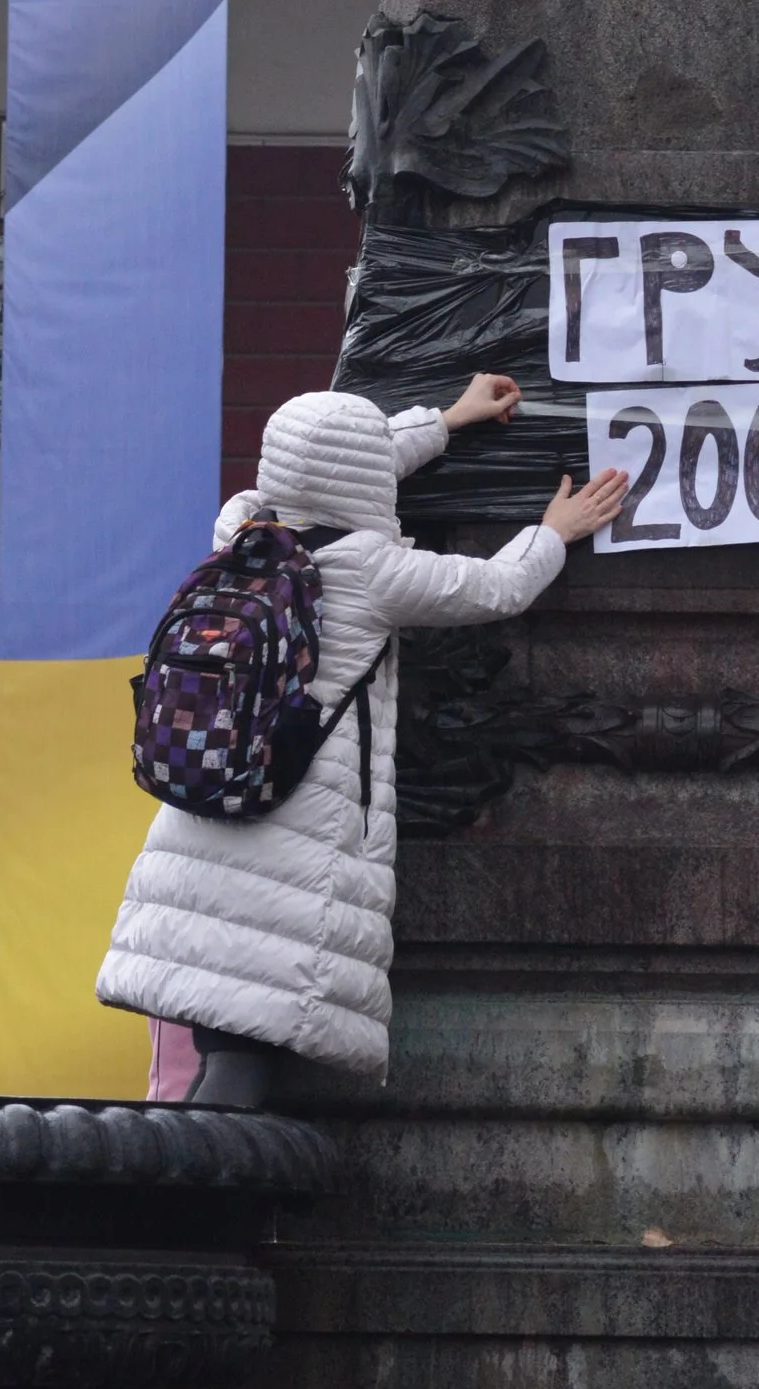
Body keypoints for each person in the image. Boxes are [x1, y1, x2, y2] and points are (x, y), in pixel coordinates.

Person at [98, 375, 625, 1105]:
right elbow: (496, 588)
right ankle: (217, 1205)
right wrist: (552, 533)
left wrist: (446, 421)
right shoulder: (375, 573)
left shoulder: (241, 527)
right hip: (297, 837)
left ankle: (205, 1194)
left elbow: (341, 466)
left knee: (221, 1037)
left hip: (209, 817)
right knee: (244, 1062)